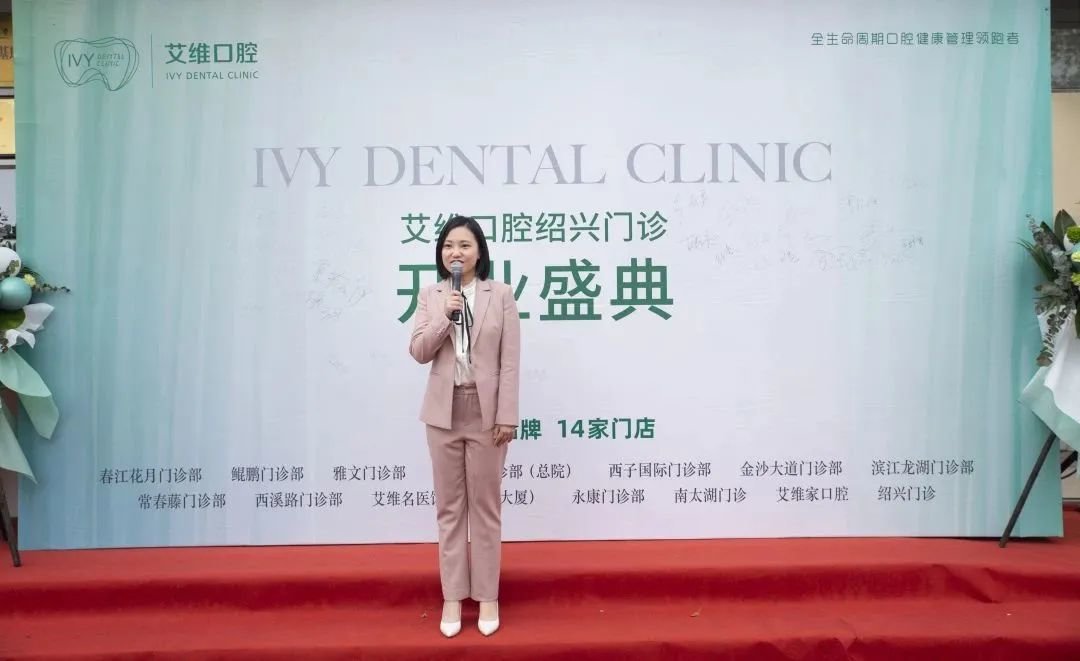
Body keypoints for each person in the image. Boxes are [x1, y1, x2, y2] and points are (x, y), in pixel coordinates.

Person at [408, 214, 521, 638]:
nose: (455, 252)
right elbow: (419, 351)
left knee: (486, 509)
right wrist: (444, 316)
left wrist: (506, 415)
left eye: (464, 245)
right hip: (443, 412)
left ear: (479, 252)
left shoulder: (501, 295)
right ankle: (453, 596)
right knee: (450, 509)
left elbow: (509, 362)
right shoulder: (432, 295)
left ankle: (488, 595)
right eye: (448, 246)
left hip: (486, 412)